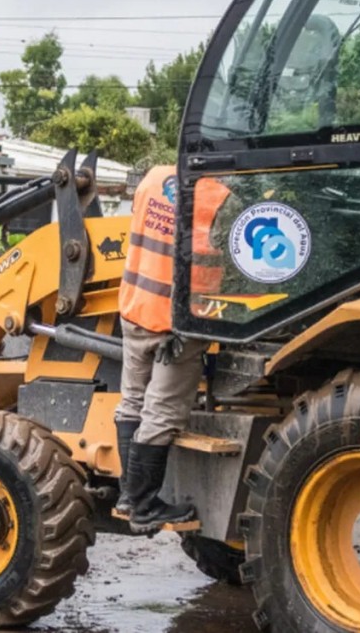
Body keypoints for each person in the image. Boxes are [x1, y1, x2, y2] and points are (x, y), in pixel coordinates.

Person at [114, 166, 225, 533]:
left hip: (136, 306)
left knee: (132, 401)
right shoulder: (215, 193)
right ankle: (144, 506)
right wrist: (185, 322)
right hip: (174, 324)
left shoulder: (152, 179)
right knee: (161, 413)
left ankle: (128, 497)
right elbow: (198, 262)